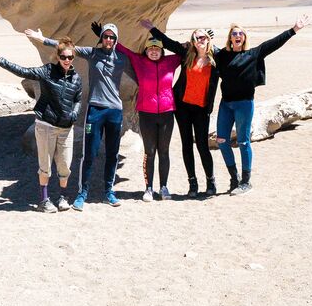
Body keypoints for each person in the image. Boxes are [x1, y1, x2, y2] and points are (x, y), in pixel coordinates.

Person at [25, 23, 132, 210]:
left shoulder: (122, 58)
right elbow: (68, 48)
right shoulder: (92, 53)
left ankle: (109, 192)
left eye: (112, 37)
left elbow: (142, 67)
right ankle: (83, 193)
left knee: (112, 154)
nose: (109, 40)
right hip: (95, 110)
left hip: (115, 111)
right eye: (106, 36)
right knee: (89, 154)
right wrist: (43, 39)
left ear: (116, 40)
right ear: (101, 38)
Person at [213, 15, 310, 195]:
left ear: (244, 37)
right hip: (226, 104)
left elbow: (274, 43)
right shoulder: (222, 55)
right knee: (222, 141)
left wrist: (294, 29)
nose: (237, 36)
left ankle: (246, 182)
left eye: (240, 33)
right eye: (234, 33)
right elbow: (202, 48)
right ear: (230, 38)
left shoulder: (253, 54)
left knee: (243, 141)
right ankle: (234, 179)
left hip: (244, 104)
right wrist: (202, 39)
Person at [0, 39, 83, 213]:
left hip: (66, 128)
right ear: (58, 56)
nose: (66, 60)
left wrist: (74, 115)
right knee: (45, 165)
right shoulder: (47, 71)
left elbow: (78, 99)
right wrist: (2, 62)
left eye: (70, 57)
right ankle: (44, 200)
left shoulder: (76, 78)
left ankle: (63, 197)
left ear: (73, 57)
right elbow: (24, 71)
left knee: (64, 166)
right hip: (46, 126)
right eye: (63, 56)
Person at [93, 21, 180, 201]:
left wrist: (188, 44)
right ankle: (148, 188)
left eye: (157, 49)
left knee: (164, 151)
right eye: (150, 49)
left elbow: (184, 52)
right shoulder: (139, 62)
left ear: (162, 51)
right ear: (146, 51)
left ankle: (163, 187)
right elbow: (122, 50)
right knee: (150, 152)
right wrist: (102, 37)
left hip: (166, 113)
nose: (154, 51)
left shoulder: (171, 62)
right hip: (146, 114)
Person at [141, 19, 221, 198]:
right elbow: (168, 43)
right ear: (193, 41)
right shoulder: (187, 54)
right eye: (196, 37)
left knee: (202, 145)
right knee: (187, 145)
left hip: (201, 109)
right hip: (183, 108)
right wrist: (153, 29)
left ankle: (210, 181)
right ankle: (192, 183)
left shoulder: (216, 58)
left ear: (208, 39)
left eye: (203, 37)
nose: (200, 40)